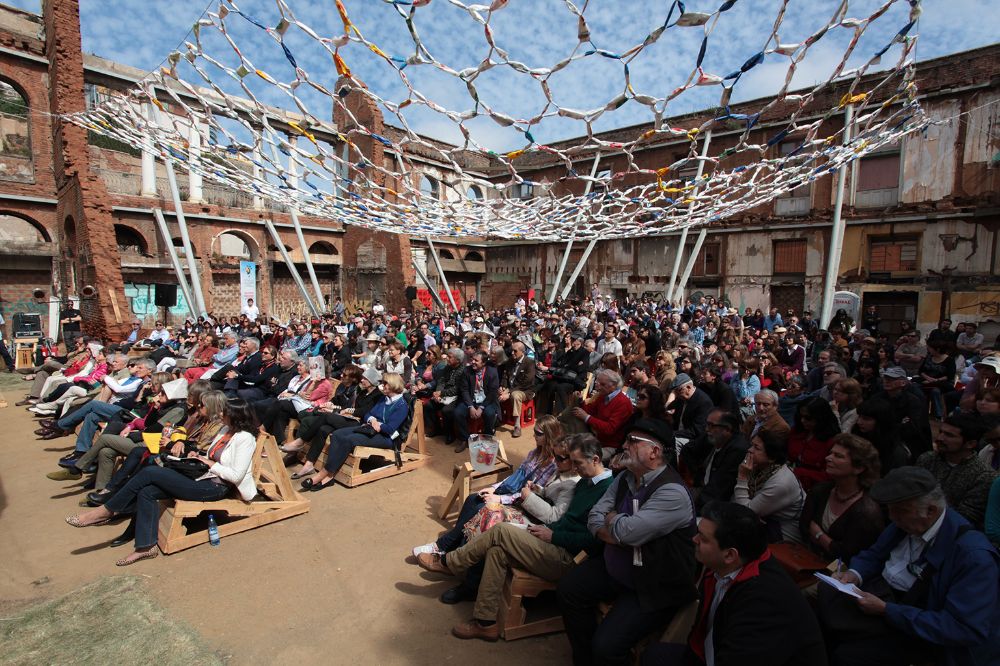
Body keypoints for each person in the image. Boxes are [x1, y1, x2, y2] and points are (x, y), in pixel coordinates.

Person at [414, 433, 614, 642]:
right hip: (553, 541)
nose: (574, 467)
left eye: (578, 463)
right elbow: (566, 518)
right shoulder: (587, 481)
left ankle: (450, 561)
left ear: (596, 460)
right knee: (497, 551)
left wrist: (554, 535)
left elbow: (593, 541)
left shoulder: (607, 489)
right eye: (572, 461)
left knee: (501, 530)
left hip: (569, 559)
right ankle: (486, 623)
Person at [822, 467, 1000, 666]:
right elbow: (874, 554)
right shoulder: (906, 523)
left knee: (848, 654)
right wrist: (855, 574)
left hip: (925, 637)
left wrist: (887, 611)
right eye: (890, 510)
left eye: (899, 511)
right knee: (823, 614)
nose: (892, 517)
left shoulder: (973, 557)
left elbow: (962, 628)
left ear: (930, 510)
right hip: (888, 605)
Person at [559, 419, 699, 665]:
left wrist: (615, 524)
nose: (624, 445)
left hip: (651, 584)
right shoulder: (626, 477)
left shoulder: (671, 492)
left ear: (654, 451)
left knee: (607, 646)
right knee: (569, 589)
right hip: (618, 569)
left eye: (632, 441)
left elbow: (627, 533)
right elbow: (595, 516)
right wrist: (616, 532)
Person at [65, 398, 260, 566]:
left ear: (236, 416)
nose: (220, 414)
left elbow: (235, 475)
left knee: (150, 472)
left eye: (224, 412)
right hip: (202, 476)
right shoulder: (226, 429)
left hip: (215, 487)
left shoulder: (245, 438)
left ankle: (106, 510)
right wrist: (197, 455)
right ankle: (145, 547)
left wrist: (209, 463)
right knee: (147, 491)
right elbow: (212, 454)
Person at [642, 501, 828, 665]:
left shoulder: (764, 602)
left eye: (703, 538)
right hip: (710, 652)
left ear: (730, 555)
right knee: (654, 655)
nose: (694, 540)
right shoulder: (724, 570)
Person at [412, 414, 561, 560]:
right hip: (511, 493)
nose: (534, 435)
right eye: (534, 431)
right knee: (472, 499)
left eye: (538, 433)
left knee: (481, 508)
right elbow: (515, 477)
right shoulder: (534, 453)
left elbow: (532, 494)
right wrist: (494, 488)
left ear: (549, 436)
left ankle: (443, 547)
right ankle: (452, 544)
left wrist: (500, 498)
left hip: (522, 504)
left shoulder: (553, 464)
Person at [301, 373, 411, 492]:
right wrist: (373, 420)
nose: (382, 386)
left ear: (393, 385)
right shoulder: (384, 399)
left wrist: (378, 425)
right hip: (371, 429)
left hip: (386, 437)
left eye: (385, 383)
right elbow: (368, 414)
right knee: (338, 434)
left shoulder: (401, 405)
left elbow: (390, 428)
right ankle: (329, 475)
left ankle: (323, 475)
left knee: (350, 440)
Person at [800, 434, 885, 560]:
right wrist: (829, 544)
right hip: (807, 559)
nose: (828, 458)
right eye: (831, 453)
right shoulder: (820, 491)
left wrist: (818, 534)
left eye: (838, 456)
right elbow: (804, 527)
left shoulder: (867, 512)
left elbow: (847, 554)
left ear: (859, 468)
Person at [915, 415, 997, 529]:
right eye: (941, 432)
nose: (940, 438)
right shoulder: (927, 459)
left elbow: (966, 517)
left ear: (970, 444)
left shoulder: (983, 476)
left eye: (949, 435)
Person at [732, 430, 804, 543]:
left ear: (772, 457)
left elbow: (745, 512)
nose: (749, 450)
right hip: (765, 519)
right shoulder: (760, 467)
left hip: (783, 532)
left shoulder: (781, 483)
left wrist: (742, 477)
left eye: (756, 448)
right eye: (751, 445)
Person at [680, 409, 750, 511]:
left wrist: (691, 510)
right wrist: (694, 472)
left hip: (716, 501)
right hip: (701, 487)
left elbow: (718, 489)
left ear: (727, 429)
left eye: (711, 425)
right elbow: (687, 450)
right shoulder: (712, 436)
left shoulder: (737, 450)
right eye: (707, 424)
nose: (707, 429)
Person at [571, 369, 635, 457]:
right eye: (598, 383)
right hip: (598, 439)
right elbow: (590, 410)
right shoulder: (604, 395)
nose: (598, 387)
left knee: (583, 457)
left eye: (603, 384)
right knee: (571, 446)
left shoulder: (623, 403)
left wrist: (586, 417)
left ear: (614, 386)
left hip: (612, 446)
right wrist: (581, 401)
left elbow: (610, 429)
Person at [872, 366, 932, 459]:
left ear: (903, 382)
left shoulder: (913, 401)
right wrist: (899, 423)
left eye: (892, 379)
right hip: (878, 436)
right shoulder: (877, 398)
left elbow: (912, 427)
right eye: (886, 378)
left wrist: (888, 425)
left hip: (906, 441)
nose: (887, 381)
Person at [454, 351, 501, 453]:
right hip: (471, 400)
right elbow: (464, 390)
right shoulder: (467, 371)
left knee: (490, 414)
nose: (473, 362)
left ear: (483, 363)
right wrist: (470, 406)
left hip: (486, 401)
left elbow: (492, 393)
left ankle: (487, 438)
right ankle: (464, 439)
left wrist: (481, 407)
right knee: (458, 413)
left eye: (476, 360)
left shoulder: (492, 372)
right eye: (472, 359)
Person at [499, 341, 536, 438]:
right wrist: (502, 387)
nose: (512, 353)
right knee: (496, 391)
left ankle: (517, 425)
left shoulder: (529, 362)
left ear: (522, 352)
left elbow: (526, 383)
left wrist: (509, 392)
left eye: (515, 351)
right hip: (510, 388)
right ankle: (497, 418)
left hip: (525, 390)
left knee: (515, 395)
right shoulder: (510, 361)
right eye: (512, 351)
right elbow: (505, 375)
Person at [669, 373, 713, 450]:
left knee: (673, 441)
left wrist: (672, 434)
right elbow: (668, 407)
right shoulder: (681, 398)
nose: (677, 395)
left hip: (693, 439)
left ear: (688, 387)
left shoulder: (703, 402)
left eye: (678, 391)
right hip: (679, 433)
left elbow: (696, 431)